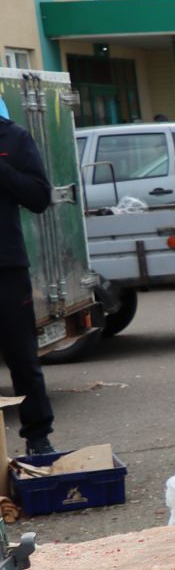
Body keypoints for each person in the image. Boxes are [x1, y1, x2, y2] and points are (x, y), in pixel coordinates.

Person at [0, 97, 55, 456]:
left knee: (22, 357)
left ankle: (38, 437)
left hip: (6, 267)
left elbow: (39, 196)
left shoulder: (13, 138)